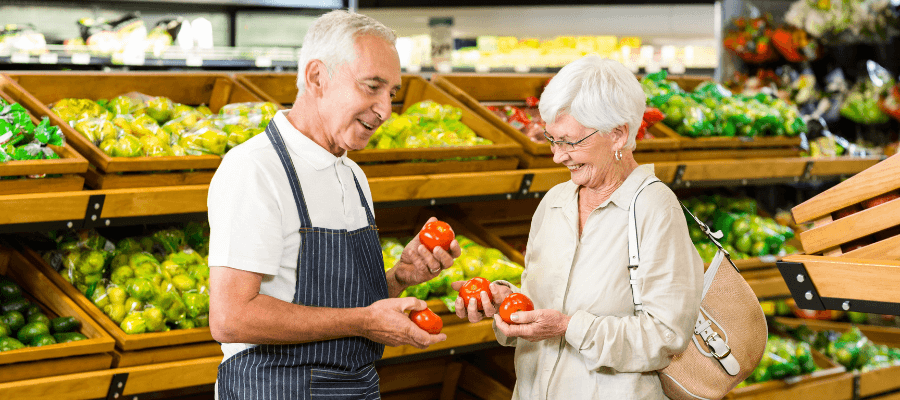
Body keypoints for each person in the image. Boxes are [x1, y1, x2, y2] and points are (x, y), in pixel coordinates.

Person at [208, 10, 459, 399]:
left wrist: (399, 279)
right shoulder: (255, 169)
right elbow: (230, 317)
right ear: (316, 78)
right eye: (371, 86)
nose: (385, 110)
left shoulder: (352, 174)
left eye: (391, 93)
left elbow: (344, 309)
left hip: (354, 388)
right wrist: (364, 321)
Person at [454, 55, 704, 399]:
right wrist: (506, 302)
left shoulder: (654, 208)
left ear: (618, 135)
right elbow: (541, 300)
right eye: (551, 139)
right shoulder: (555, 202)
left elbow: (665, 336)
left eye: (571, 142)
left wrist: (568, 327)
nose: (558, 156)